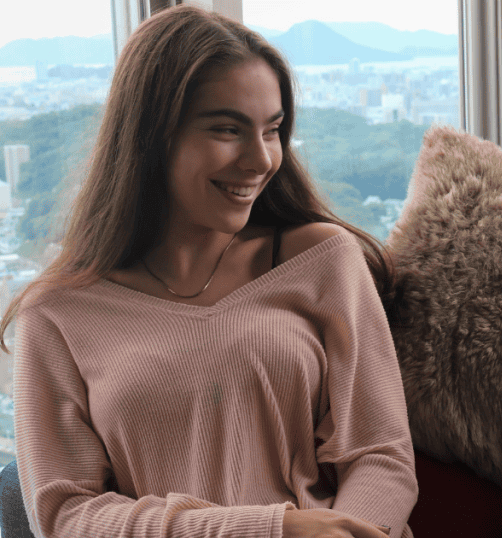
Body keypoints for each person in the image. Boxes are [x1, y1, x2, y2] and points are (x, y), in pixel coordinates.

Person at [2, 5, 416, 538]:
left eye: (273, 130)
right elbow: (64, 516)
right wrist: (273, 532)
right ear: (152, 137)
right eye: (227, 129)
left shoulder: (322, 261)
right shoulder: (55, 313)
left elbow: (381, 455)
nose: (262, 159)